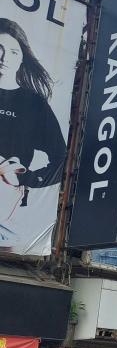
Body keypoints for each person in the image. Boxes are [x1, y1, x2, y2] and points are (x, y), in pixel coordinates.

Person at [0, 18, 66, 242]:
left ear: (22, 58)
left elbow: (61, 157)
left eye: (12, 52)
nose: (4, 58)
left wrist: (28, 177)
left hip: (7, 208)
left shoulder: (33, 104)